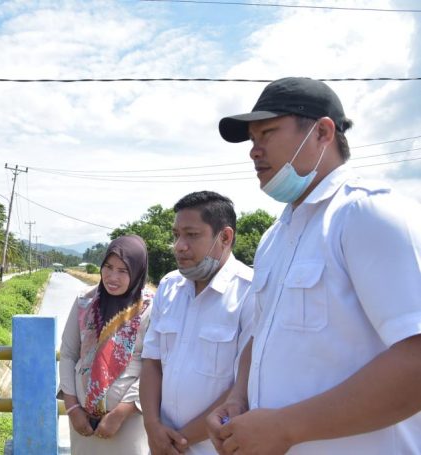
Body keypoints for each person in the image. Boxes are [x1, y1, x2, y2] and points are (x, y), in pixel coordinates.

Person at [207, 77, 421, 454]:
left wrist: (287, 428)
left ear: (322, 132)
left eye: (267, 133)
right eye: (252, 140)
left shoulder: (366, 213)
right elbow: (262, 335)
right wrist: (238, 398)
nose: (254, 151)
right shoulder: (276, 237)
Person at [140, 191, 254, 455]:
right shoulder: (169, 287)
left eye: (191, 235)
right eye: (176, 235)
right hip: (160, 443)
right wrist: (152, 426)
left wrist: (178, 441)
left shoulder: (251, 292)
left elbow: (245, 386)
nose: (179, 246)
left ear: (225, 237)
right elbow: (152, 362)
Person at [58, 234, 152, 455]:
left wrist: (122, 412)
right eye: (108, 267)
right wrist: (72, 407)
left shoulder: (150, 308)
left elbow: (153, 367)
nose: (112, 277)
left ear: (137, 271)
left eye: (123, 271)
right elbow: (69, 354)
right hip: (82, 419)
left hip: (129, 422)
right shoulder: (85, 301)